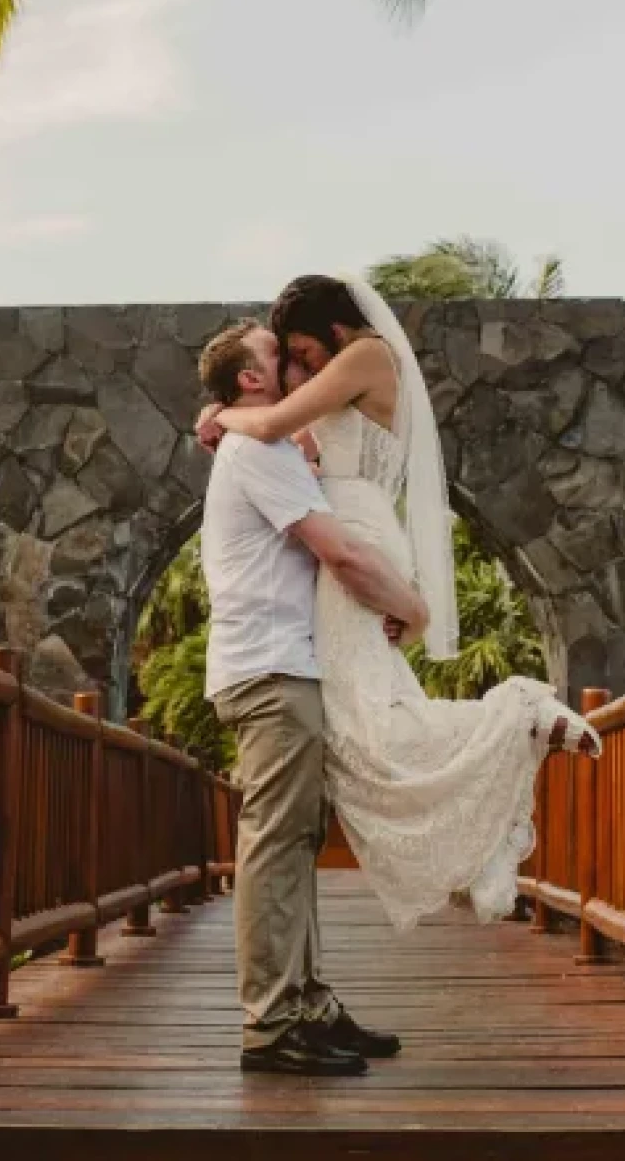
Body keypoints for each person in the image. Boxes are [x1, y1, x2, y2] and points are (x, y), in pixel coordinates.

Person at [198, 274, 600, 940]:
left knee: (366, 733)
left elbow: (269, 422)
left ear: (331, 331)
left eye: (301, 352)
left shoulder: (365, 354)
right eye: (286, 360)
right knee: (372, 723)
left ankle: (520, 716)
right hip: (354, 526)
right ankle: (495, 832)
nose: (298, 370)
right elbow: (292, 434)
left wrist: (221, 416)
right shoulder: (343, 374)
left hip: (353, 534)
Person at [196, 319, 425, 1078]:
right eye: (277, 355)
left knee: (294, 842)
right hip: (270, 673)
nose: (293, 365)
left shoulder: (266, 445)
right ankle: (270, 1022)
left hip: (283, 668)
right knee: (275, 843)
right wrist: (415, 609)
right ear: (253, 382)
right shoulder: (255, 449)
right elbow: (341, 551)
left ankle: (308, 1003)